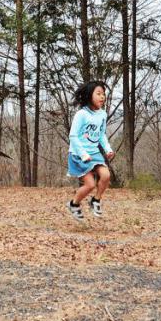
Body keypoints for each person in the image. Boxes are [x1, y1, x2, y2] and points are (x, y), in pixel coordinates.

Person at [65, 81, 115, 222]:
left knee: (105, 175)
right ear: (89, 96)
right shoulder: (82, 114)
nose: (102, 97)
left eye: (103, 94)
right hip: (78, 154)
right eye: (98, 94)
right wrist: (83, 154)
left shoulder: (102, 115)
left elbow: (101, 135)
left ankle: (96, 200)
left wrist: (108, 149)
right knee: (90, 185)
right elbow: (73, 136)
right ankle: (74, 204)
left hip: (94, 153)